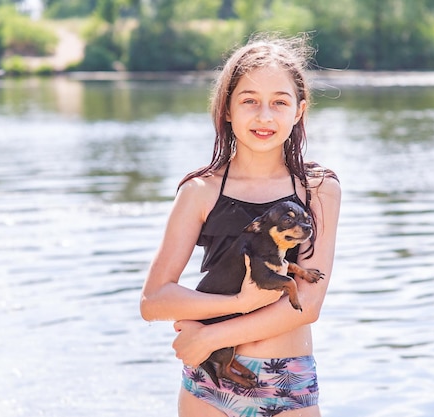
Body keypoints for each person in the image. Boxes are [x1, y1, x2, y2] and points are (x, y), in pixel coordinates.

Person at [140, 33, 341, 417]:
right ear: (227, 109)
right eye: (249, 101)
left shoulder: (318, 189)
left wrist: (211, 336)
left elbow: (309, 304)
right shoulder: (200, 191)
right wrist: (238, 303)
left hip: (287, 381)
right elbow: (153, 302)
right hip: (207, 384)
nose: (264, 116)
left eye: (279, 102)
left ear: (299, 110)